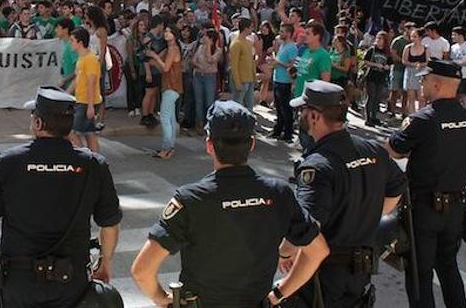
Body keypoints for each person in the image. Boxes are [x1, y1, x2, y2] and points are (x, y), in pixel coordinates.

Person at [131, 100, 329, 307]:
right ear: (251, 144)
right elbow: (317, 251)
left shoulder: (190, 199)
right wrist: (279, 293)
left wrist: (162, 299)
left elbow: (142, 270)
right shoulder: (279, 194)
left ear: (209, 145)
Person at [0, 86, 121, 308]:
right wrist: (105, 262)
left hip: (19, 281)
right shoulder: (94, 165)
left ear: (39, 123)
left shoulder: (6, 163)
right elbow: (109, 223)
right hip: (71, 282)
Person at [287, 81, 405, 307]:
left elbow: (308, 227)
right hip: (361, 269)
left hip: (325, 274)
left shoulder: (317, 166)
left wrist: (286, 253)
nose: (300, 115)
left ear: (314, 117)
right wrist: (363, 216)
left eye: (303, 110)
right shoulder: (373, 150)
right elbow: (397, 187)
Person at [386, 60, 466, 308]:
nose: (421, 82)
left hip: (425, 208)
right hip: (456, 207)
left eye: (425, 79)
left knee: (420, 272)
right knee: (448, 266)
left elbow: (395, 150)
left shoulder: (424, 119)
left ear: (437, 83)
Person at [146, 27, 182, 159]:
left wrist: (155, 56)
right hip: (171, 87)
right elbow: (163, 66)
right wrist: (153, 61)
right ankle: (169, 146)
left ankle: (167, 148)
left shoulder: (173, 49)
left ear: (175, 34)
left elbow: (166, 68)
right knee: (171, 118)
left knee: (165, 118)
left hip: (171, 87)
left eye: (169, 31)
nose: (166, 34)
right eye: (165, 31)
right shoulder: (169, 49)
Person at [68, 27, 102, 153]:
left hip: (87, 101)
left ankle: (83, 156)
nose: (70, 43)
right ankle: (94, 159)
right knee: (89, 132)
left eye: (72, 40)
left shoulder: (91, 59)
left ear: (80, 42)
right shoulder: (81, 58)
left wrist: (90, 106)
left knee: (70, 131)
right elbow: (77, 80)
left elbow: (91, 83)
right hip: (82, 100)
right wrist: (66, 95)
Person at [269, 24, 298, 142]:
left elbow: (292, 66)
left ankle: (288, 133)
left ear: (289, 33)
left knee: (286, 108)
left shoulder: (292, 47)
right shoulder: (282, 45)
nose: (280, 33)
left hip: (285, 81)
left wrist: (278, 62)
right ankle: (278, 130)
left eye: (282, 31)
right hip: (277, 79)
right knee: (279, 108)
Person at [191, 28, 222, 135]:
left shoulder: (218, 50)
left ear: (210, 38)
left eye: (206, 36)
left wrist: (209, 46)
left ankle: (209, 125)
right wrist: (199, 66)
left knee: (209, 102)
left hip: (210, 77)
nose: (203, 38)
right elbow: (193, 60)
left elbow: (210, 59)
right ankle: (199, 124)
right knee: (199, 102)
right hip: (199, 76)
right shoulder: (200, 47)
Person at [361, 31, 393, 127]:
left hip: (381, 77)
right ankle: (368, 118)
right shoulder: (372, 50)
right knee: (371, 96)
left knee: (377, 98)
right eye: (377, 38)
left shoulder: (387, 52)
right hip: (371, 75)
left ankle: (374, 117)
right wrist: (376, 64)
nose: (378, 41)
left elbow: (390, 64)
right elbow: (365, 61)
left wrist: (387, 67)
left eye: (381, 39)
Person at [293, 22, 332, 98]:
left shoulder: (323, 55)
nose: (304, 36)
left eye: (308, 33)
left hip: (311, 101)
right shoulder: (306, 51)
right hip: (298, 96)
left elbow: (325, 82)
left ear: (317, 36)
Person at [229, 17, 256, 110]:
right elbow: (233, 64)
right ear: (245, 28)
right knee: (237, 106)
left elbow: (251, 61)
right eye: (251, 27)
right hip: (241, 80)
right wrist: (237, 82)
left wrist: (254, 76)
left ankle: (249, 124)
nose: (252, 29)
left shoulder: (249, 42)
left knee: (250, 106)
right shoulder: (236, 43)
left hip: (249, 79)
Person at [402, 28, 430, 115]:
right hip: (410, 73)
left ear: (420, 37)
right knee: (411, 97)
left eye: (415, 36)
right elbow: (404, 61)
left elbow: (428, 61)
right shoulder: (408, 48)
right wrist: (413, 64)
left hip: (422, 74)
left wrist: (421, 65)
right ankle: (412, 116)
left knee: (421, 97)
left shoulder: (426, 48)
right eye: (412, 37)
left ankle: (421, 116)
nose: (413, 38)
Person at [389, 23, 414, 116]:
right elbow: (393, 54)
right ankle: (392, 111)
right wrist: (403, 60)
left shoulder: (413, 42)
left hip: (408, 70)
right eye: (411, 29)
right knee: (394, 90)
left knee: (406, 92)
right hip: (397, 68)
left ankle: (404, 112)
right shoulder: (398, 40)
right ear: (406, 29)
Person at [450, 27, 466, 107]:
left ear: (461, 35)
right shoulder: (453, 47)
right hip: (454, 76)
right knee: (455, 96)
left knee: (464, 96)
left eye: (454, 35)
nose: (452, 37)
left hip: (464, 75)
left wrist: (460, 64)